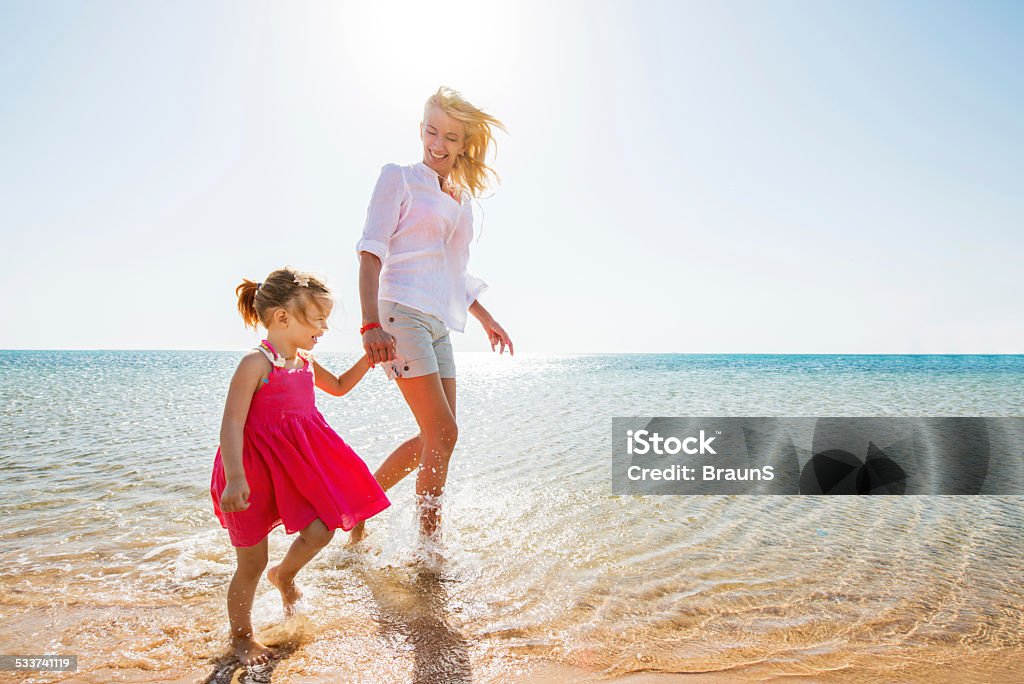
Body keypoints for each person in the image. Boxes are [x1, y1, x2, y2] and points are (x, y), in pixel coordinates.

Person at [351, 86, 513, 544]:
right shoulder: (398, 178)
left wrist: (485, 317)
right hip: (398, 314)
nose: (437, 144)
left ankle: (359, 505)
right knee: (441, 432)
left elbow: (450, 272)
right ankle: (430, 548)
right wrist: (369, 324)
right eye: (431, 131)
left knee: (439, 437)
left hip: (437, 323)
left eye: (451, 137)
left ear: (466, 144)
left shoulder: (459, 200)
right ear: (420, 130)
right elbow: (370, 252)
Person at [210, 267, 390, 666]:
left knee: (321, 528)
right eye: (319, 318)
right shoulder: (255, 364)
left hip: (294, 469)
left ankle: (285, 575)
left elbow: (340, 386)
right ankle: (241, 636)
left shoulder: (306, 361)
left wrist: (370, 358)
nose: (325, 327)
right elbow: (232, 423)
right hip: (252, 473)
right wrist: (236, 477)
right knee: (251, 562)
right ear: (282, 318)